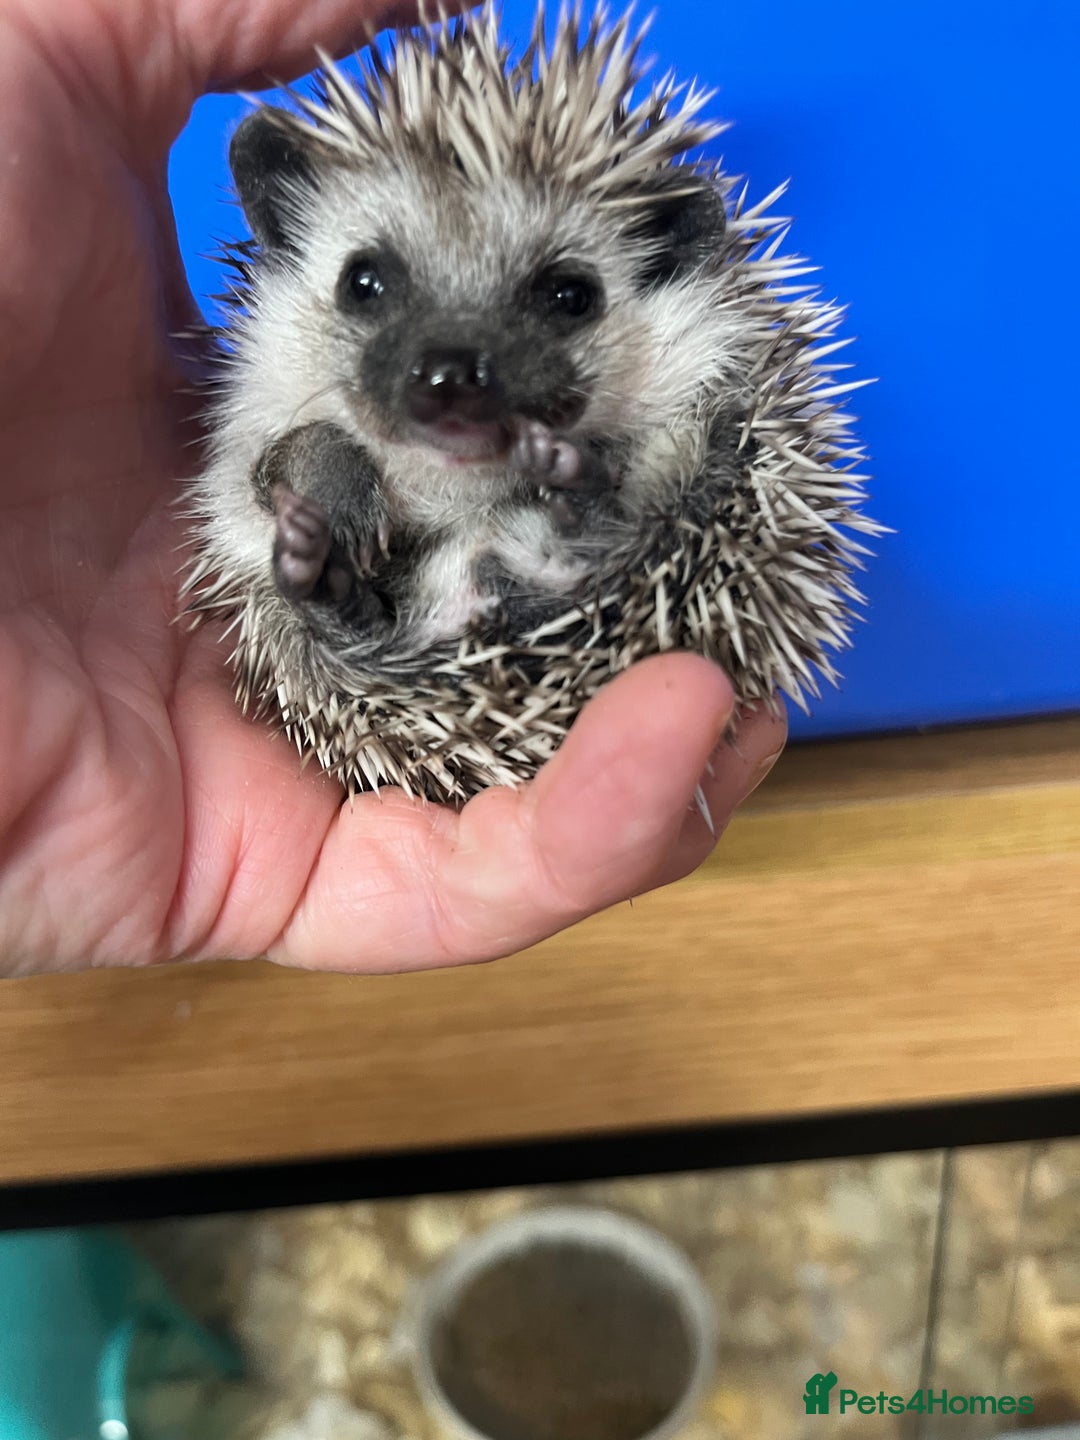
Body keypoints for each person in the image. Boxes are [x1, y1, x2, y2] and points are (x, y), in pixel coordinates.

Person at [0, 0, 786, 978]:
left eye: (562, 297)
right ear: (286, 234)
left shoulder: (692, 380)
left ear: (670, 259)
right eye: (370, 287)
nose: (452, 365)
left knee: (677, 483)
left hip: (582, 565)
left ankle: (545, 543)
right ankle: (416, 593)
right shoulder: (293, 397)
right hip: (403, 641)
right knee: (301, 492)